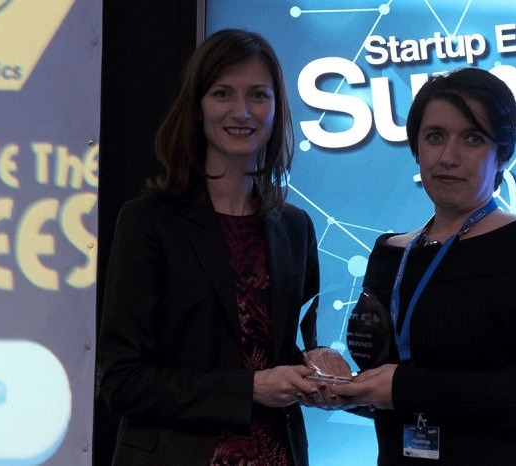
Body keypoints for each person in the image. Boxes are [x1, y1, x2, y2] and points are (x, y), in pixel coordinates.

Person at [98, 28, 346, 466]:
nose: (242, 112)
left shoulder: (295, 228)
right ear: (197, 107)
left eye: (258, 95)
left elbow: (276, 353)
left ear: (277, 108)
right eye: (222, 94)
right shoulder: (148, 222)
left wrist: (317, 369)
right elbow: (123, 382)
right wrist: (249, 389)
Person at [334, 67, 516, 465]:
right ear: (416, 148)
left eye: (472, 138)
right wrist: (340, 387)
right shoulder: (390, 254)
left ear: (502, 155)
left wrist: (406, 387)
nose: (448, 157)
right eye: (435, 137)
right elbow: (391, 381)